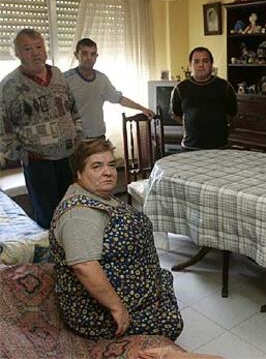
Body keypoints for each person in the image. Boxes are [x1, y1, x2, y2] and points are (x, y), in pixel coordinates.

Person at [49, 138, 183, 340]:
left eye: (111, 164)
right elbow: (84, 266)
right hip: (96, 311)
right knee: (170, 321)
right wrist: (117, 307)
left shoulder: (98, 195)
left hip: (131, 289)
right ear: (78, 173)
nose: (108, 171)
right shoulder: (78, 215)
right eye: (97, 166)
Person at [0, 28, 82, 228]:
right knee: (48, 218)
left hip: (68, 157)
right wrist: (21, 153)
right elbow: (3, 127)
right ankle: (53, 258)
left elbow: (72, 108)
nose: (35, 53)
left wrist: (79, 134)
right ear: (17, 54)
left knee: (73, 210)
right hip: (38, 163)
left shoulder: (58, 74)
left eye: (39, 47)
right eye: (27, 48)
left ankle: (77, 255)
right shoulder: (9, 85)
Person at [64, 38, 154, 139]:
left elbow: (119, 99)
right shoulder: (65, 79)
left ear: (96, 56)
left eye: (93, 54)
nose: (89, 58)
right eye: (84, 53)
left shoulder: (102, 79)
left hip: (98, 136)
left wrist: (142, 109)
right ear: (76, 55)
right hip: (76, 139)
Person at [170, 47, 237, 150]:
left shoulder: (225, 86)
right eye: (196, 62)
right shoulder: (180, 88)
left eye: (205, 61)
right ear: (190, 65)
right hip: (190, 147)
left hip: (220, 147)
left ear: (211, 64)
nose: (201, 65)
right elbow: (176, 114)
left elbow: (232, 113)